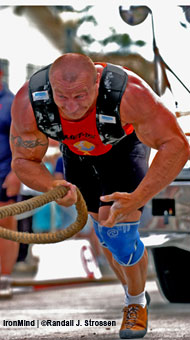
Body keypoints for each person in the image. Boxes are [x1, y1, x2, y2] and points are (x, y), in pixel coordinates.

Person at [10, 53, 189, 338]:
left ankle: (135, 302)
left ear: (96, 82)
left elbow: (176, 145)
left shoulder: (129, 94)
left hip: (123, 146)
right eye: (62, 97)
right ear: (51, 88)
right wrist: (52, 187)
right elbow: (22, 161)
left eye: (80, 96)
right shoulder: (30, 101)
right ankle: (135, 288)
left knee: (119, 234)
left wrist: (138, 197)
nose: (71, 107)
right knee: (104, 232)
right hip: (78, 153)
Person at [0, 66, 20, 297]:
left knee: (6, 227)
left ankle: (4, 278)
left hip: (4, 173)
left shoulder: (12, 102)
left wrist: (16, 174)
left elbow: (23, 140)